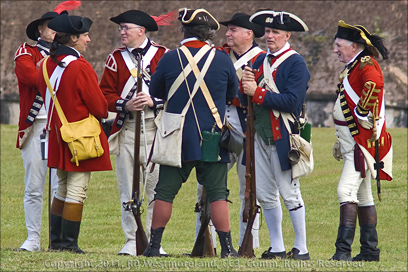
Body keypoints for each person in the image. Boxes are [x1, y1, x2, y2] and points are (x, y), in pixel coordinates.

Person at [143, 8, 239, 258]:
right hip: (213, 136)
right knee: (218, 194)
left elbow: (156, 91)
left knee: (164, 193)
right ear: (209, 34)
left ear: (183, 30)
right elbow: (232, 95)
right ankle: (228, 249)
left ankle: (154, 247)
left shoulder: (169, 58)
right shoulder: (222, 59)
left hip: (177, 137)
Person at [37, 14, 112, 254]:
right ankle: (69, 244)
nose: (89, 40)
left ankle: (56, 242)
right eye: (85, 35)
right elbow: (100, 107)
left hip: (58, 135)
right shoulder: (80, 66)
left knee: (61, 187)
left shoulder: (47, 64)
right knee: (77, 189)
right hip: (79, 136)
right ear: (73, 37)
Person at [241, 10, 310, 260]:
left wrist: (256, 92)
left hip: (283, 137)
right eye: (268, 32)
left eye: (275, 32)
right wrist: (245, 86)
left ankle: (301, 248)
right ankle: (278, 247)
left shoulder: (295, 63)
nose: (269, 36)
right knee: (266, 194)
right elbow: (244, 99)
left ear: (287, 35)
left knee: (289, 192)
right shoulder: (259, 62)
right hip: (259, 135)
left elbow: (292, 102)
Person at [99, 10, 168, 256]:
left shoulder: (162, 55)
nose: (122, 32)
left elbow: (175, 92)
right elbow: (104, 95)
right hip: (127, 128)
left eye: (126, 28)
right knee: (127, 188)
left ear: (141, 30)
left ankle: (153, 240)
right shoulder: (115, 58)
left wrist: (154, 101)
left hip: (155, 128)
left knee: (155, 188)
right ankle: (131, 239)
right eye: (121, 28)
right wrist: (124, 105)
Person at [194, 12, 265, 252]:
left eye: (233, 29)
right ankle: (204, 243)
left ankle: (249, 245)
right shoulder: (219, 56)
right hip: (220, 130)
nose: (227, 33)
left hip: (249, 133)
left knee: (250, 191)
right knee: (207, 187)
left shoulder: (263, 60)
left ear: (249, 34)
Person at [330, 20, 392, 262]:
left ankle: (342, 252)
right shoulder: (354, 64)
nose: (335, 49)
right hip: (351, 141)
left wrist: (364, 110)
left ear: (354, 46)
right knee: (364, 196)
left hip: (361, 143)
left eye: (338, 45)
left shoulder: (366, 64)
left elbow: (375, 84)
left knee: (345, 190)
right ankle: (369, 251)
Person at [14, 9, 63, 252]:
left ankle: (58, 239)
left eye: (58, 27)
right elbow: (30, 77)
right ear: (40, 30)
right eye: (49, 26)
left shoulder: (69, 55)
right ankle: (33, 238)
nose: (54, 30)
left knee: (59, 187)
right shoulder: (27, 51)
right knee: (34, 186)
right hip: (37, 125)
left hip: (62, 126)